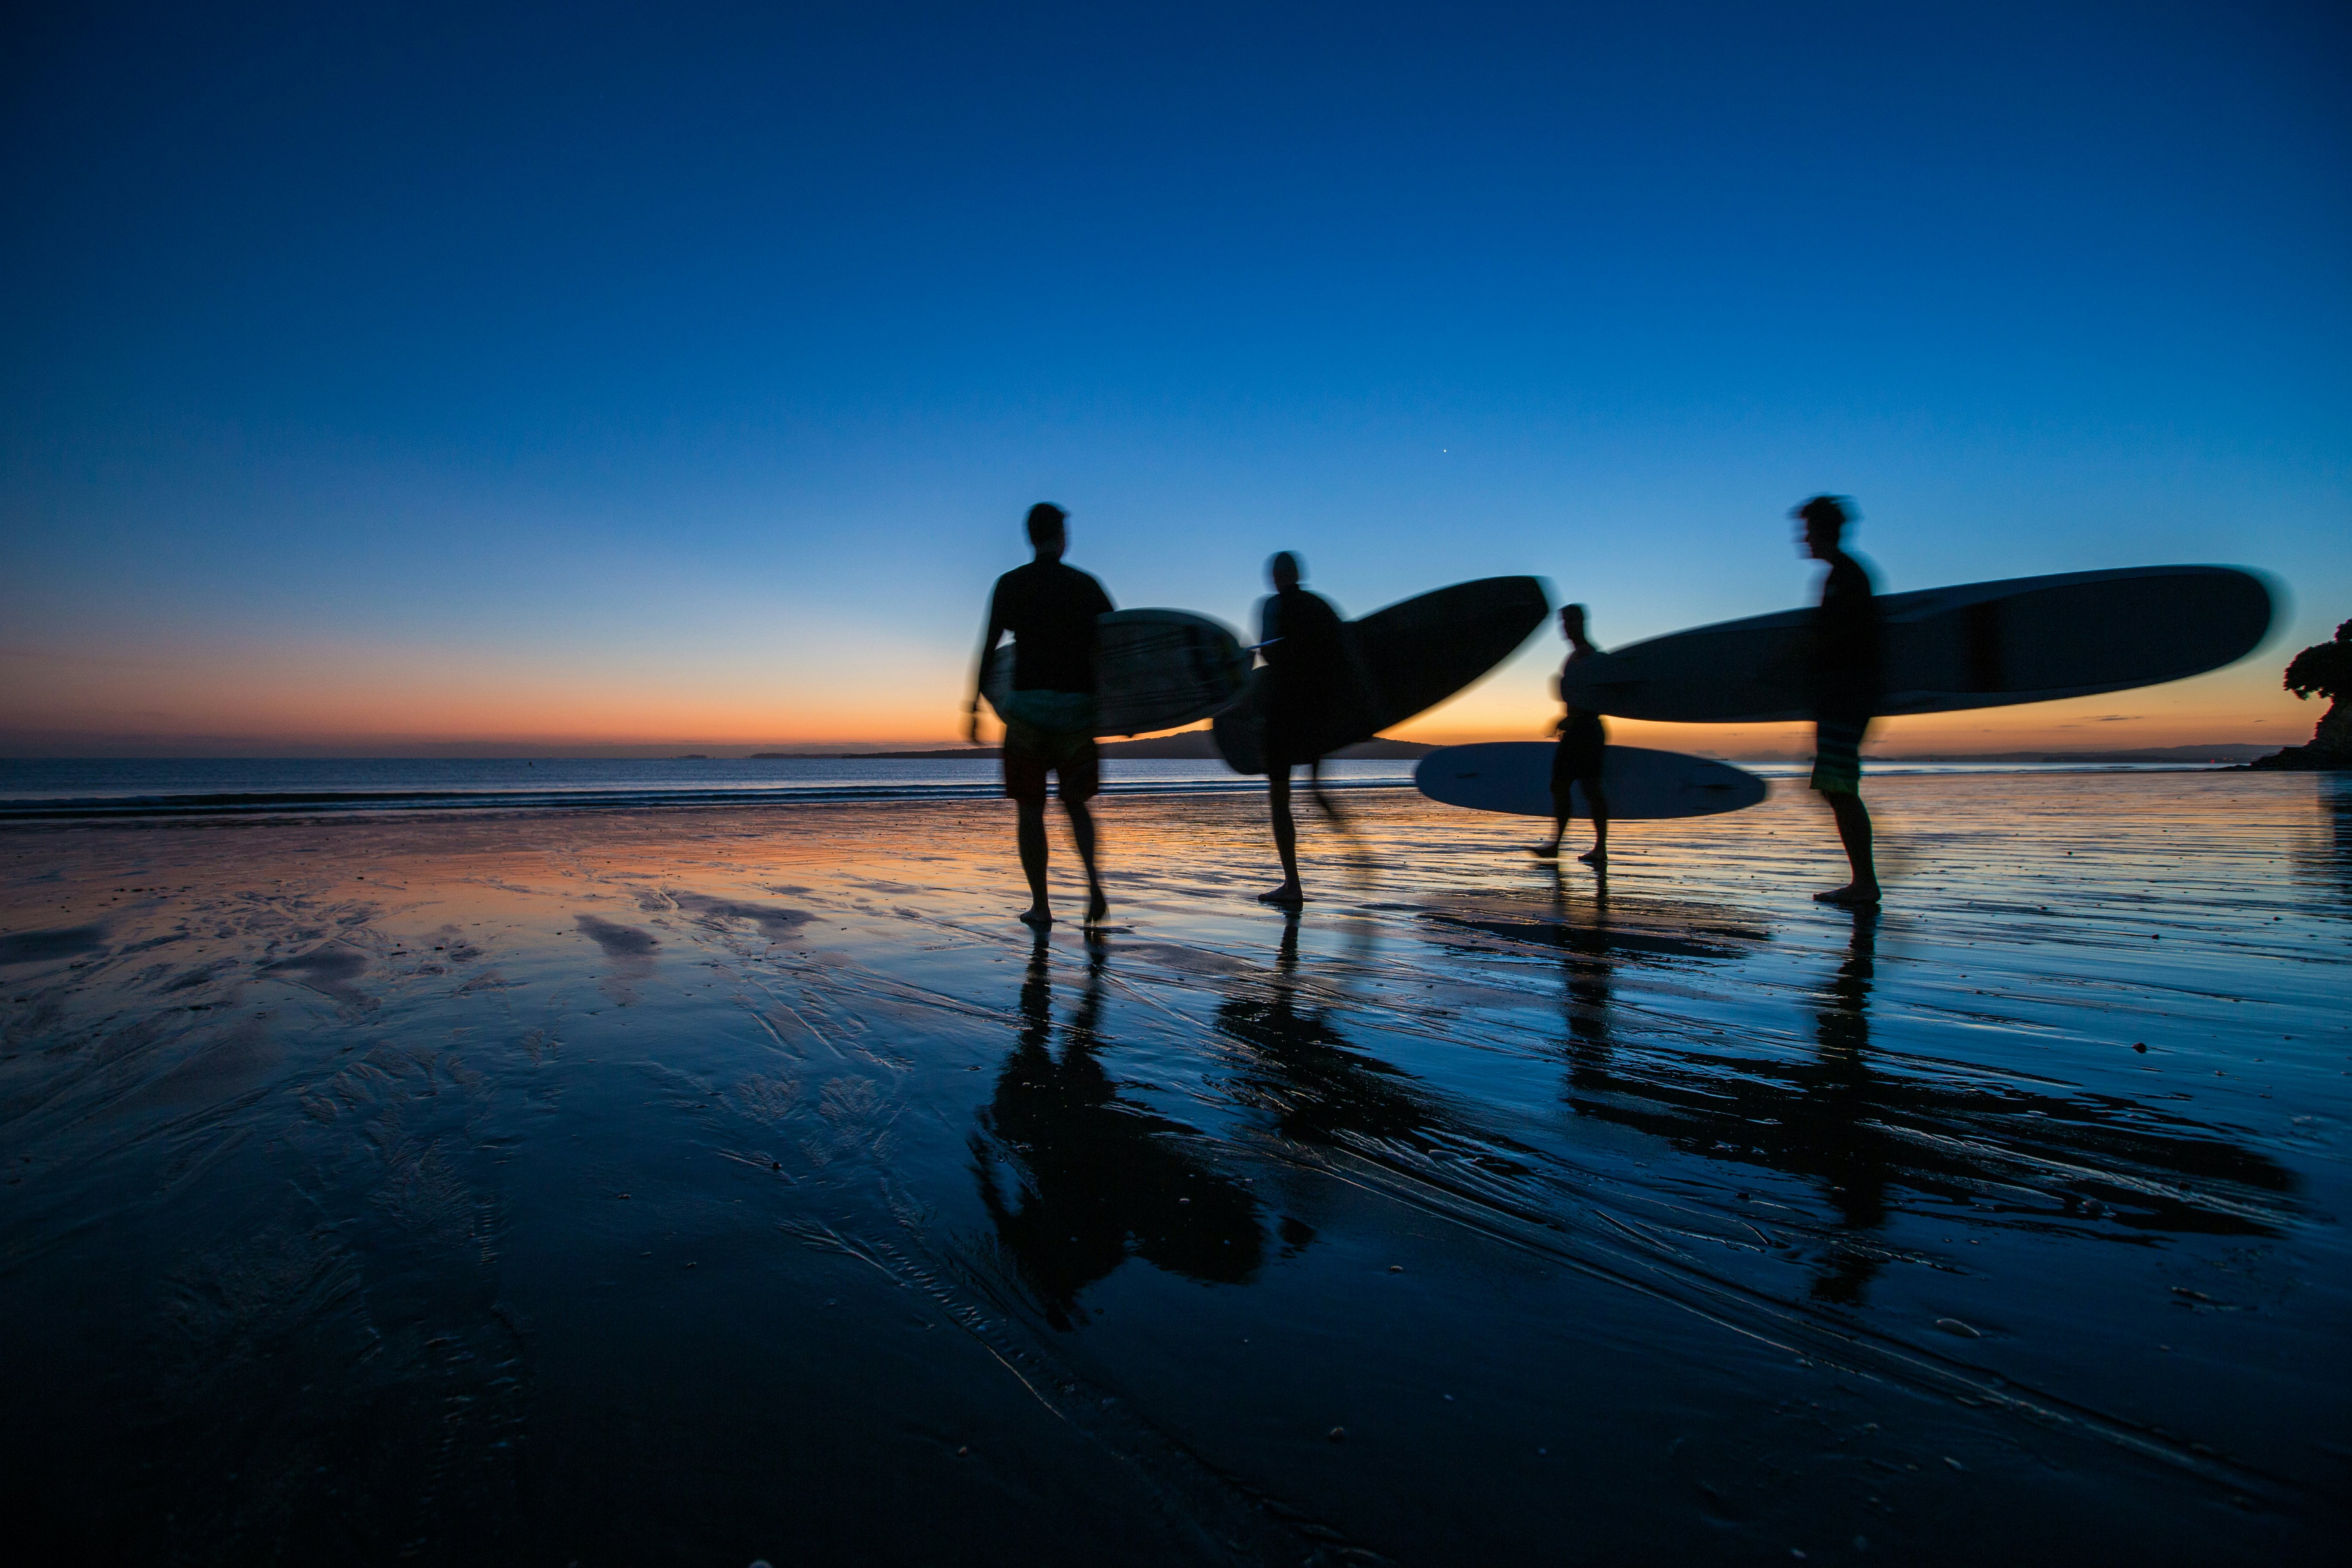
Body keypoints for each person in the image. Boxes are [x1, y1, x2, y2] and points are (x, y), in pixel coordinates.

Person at [969, 503, 1115, 927]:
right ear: (1062, 537)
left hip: (1027, 710)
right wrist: (1121, 709)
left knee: (1031, 810)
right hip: (1077, 710)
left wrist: (974, 705)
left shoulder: (1011, 584)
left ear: (1030, 537)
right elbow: (1113, 646)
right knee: (1076, 805)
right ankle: (1094, 888)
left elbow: (989, 647)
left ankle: (1042, 906)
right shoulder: (1086, 585)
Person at [1254, 552, 1377, 907]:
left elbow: (1269, 653)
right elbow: (1348, 654)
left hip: (1283, 710)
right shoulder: (1321, 606)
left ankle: (1293, 886)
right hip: (1319, 712)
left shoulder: (1273, 607)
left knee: (1280, 797)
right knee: (1319, 791)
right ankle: (1357, 851)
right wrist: (1363, 713)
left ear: (1279, 577)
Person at [1794, 494, 1884, 906]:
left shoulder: (1846, 576)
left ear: (1826, 531)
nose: (1803, 538)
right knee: (1835, 787)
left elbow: (1842, 639)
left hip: (1846, 696)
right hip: (1845, 695)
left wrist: (1788, 666)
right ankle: (1864, 880)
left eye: (1808, 529)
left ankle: (1865, 883)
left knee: (1839, 788)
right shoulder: (1844, 574)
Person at [1531, 603, 1610, 865]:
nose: (1565, 629)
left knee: (1589, 788)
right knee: (1561, 785)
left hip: (1587, 732)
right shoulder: (1575, 657)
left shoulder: (1591, 656)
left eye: (1569, 622)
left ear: (1580, 623)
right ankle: (1557, 845)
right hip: (1577, 731)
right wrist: (1566, 720)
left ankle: (1599, 848)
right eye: (1563, 624)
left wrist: (1572, 719)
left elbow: (1598, 700)